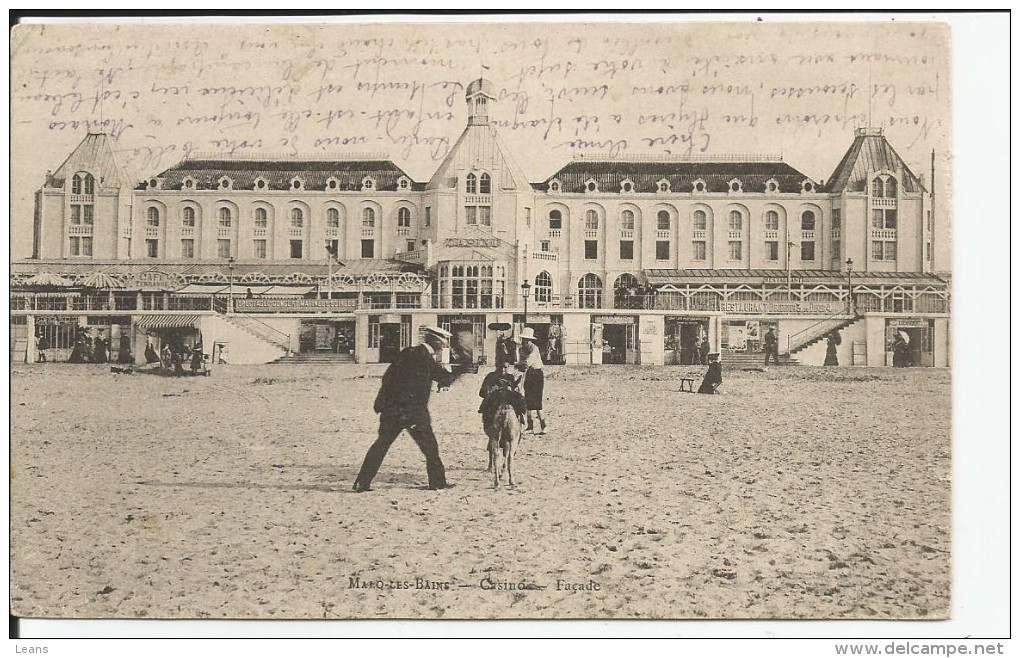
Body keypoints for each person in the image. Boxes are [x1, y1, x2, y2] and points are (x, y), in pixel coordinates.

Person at [353, 326, 458, 493]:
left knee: (381, 445)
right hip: (413, 412)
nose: (444, 346)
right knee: (430, 448)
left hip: (391, 409)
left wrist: (380, 402)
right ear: (437, 341)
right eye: (444, 342)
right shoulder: (426, 358)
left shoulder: (407, 352)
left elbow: (388, 377)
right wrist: (457, 372)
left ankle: (362, 482)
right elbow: (442, 376)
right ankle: (437, 482)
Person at [478, 361, 527, 441]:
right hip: (494, 400)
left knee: (519, 403)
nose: (503, 369)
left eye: (505, 367)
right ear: (496, 366)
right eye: (501, 367)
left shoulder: (510, 377)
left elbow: (514, 389)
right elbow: (482, 392)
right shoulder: (490, 376)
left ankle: (520, 425)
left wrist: (511, 389)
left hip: (507, 400)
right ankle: (490, 431)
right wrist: (491, 390)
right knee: (487, 410)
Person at [516, 327, 548, 435]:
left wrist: (520, 365)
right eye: (523, 339)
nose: (525, 341)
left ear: (530, 340)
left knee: (537, 401)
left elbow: (527, 363)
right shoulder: (520, 349)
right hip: (527, 374)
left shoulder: (535, 349)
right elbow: (520, 364)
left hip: (536, 374)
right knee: (527, 401)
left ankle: (543, 426)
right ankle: (530, 427)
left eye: (527, 339)